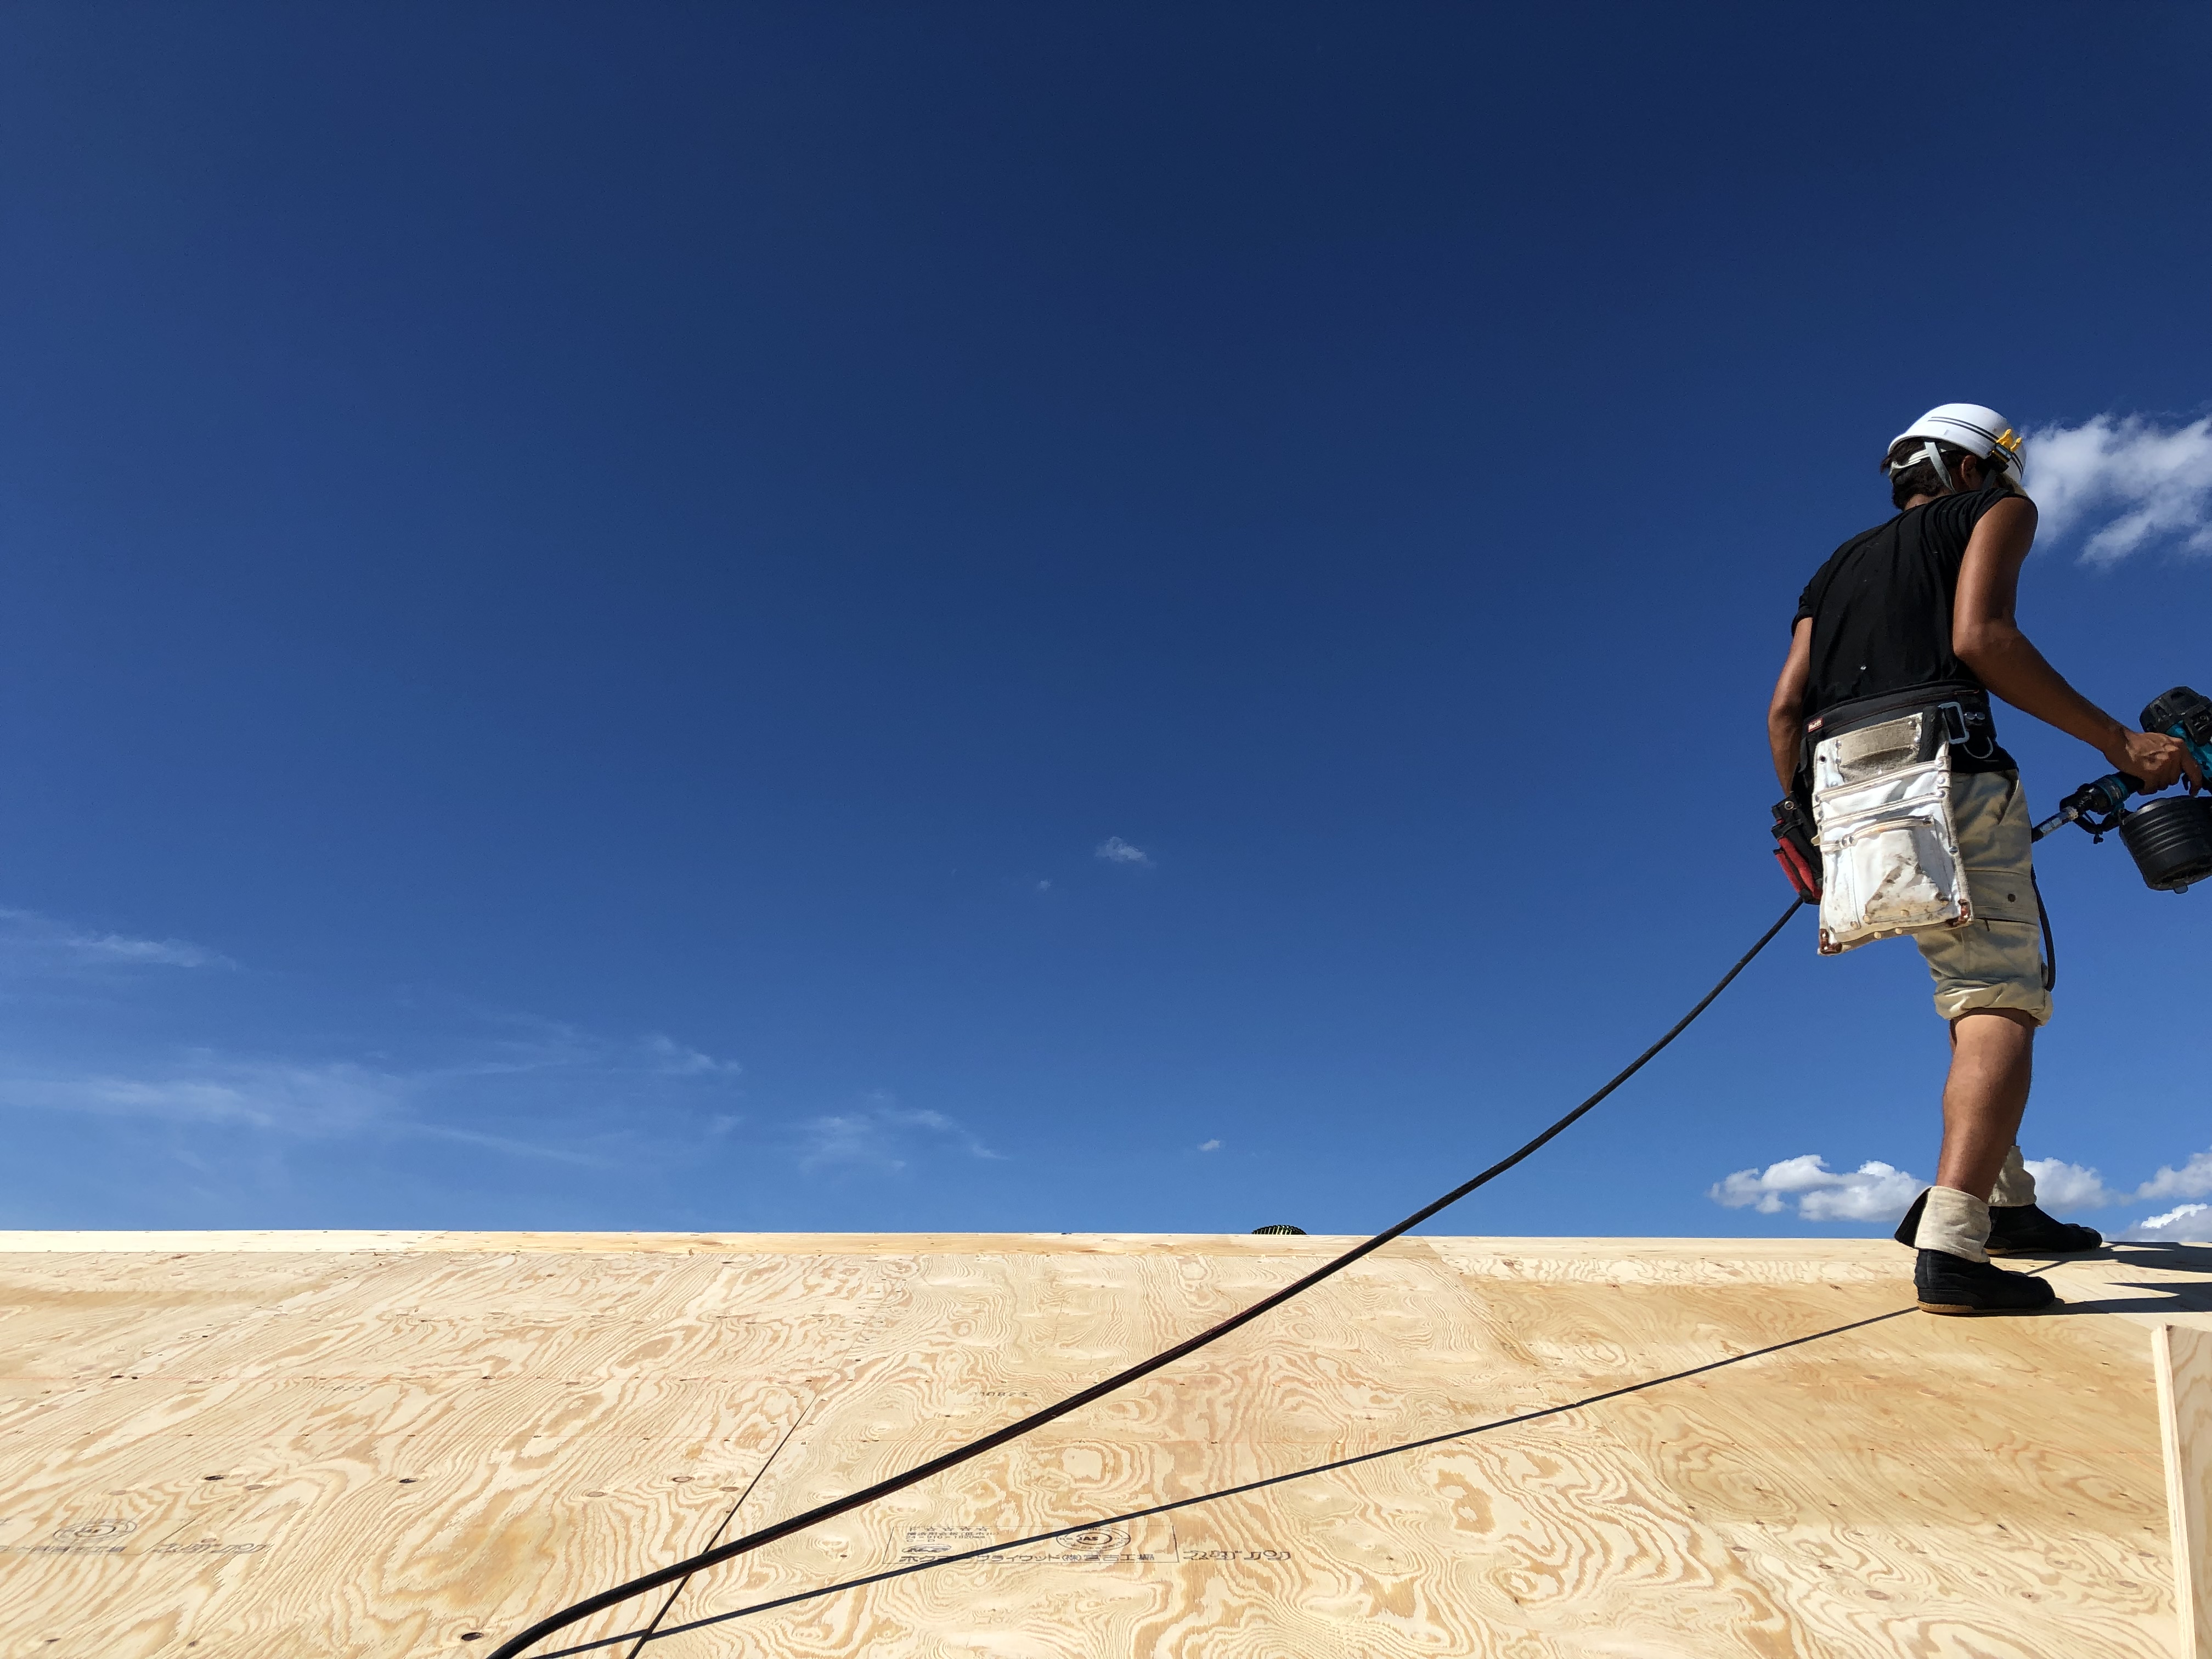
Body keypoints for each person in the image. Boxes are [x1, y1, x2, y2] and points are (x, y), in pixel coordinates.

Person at [1767, 404, 2203, 1316]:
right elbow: (1982, 640)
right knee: (2001, 991)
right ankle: (1956, 1249)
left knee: (1969, 987)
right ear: (1973, 470)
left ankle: (2007, 1205)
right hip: (1946, 767)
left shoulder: (1834, 566)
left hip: (1841, 788)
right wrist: (2123, 744)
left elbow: (1784, 708)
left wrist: (1807, 825)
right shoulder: (1996, 511)